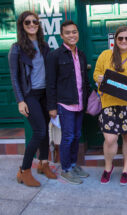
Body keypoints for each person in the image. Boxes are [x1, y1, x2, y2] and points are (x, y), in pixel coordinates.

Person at [8, 11, 57, 187]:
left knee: (46, 131)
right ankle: (24, 170)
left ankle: (44, 164)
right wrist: (20, 100)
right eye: (27, 22)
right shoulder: (17, 48)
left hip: (45, 94)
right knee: (39, 131)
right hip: (30, 95)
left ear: (38, 24)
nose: (31, 24)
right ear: (22, 25)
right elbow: (14, 77)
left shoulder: (44, 46)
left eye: (34, 21)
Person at [93, 26, 127, 186]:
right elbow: (96, 73)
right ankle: (108, 167)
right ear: (115, 40)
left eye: (126, 38)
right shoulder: (105, 55)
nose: (123, 41)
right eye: (120, 38)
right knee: (110, 138)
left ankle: (125, 170)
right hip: (109, 102)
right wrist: (99, 77)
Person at [46, 20, 90, 185]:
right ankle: (66, 169)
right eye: (68, 33)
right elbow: (50, 83)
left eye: (74, 32)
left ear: (78, 34)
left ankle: (73, 164)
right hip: (64, 104)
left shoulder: (82, 55)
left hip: (79, 103)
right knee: (68, 137)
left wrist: (87, 101)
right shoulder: (54, 56)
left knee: (77, 136)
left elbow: (84, 80)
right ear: (61, 35)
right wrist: (52, 107)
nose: (72, 35)